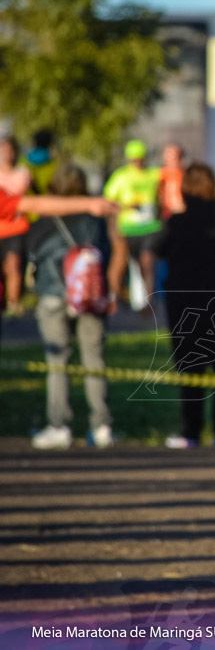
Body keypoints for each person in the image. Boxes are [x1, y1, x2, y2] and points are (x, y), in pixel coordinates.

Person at [156, 164, 215, 449]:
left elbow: (160, 248)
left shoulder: (178, 223)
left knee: (190, 369)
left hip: (186, 307)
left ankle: (191, 432)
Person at [25, 163, 118, 449]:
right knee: (94, 360)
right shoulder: (95, 218)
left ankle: (59, 425)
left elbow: (33, 253)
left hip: (53, 293)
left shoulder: (43, 217)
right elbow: (110, 251)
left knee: (57, 362)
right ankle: (101, 426)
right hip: (89, 295)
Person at [0, 173, 116, 352]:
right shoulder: (94, 223)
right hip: (83, 294)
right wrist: (89, 204)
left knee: (58, 359)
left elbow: (31, 206)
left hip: (52, 291)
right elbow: (33, 204)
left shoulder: (41, 223)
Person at [104, 139, 163, 307]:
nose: (137, 162)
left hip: (149, 228)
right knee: (119, 263)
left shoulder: (154, 174)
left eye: (140, 158)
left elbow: (162, 196)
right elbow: (109, 202)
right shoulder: (121, 176)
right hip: (126, 228)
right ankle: (113, 299)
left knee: (147, 263)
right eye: (133, 158)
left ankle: (149, 303)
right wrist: (116, 223)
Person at [0, 136, 32, 315]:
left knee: (14, 265)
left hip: (17, 227)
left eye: (10, 150)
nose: (7, 154)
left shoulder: (23, 173)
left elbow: (33, 201)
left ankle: (13, 303)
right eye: (3, 150)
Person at [158, 143, 187, 220]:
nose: (171, 160)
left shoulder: (186, 175)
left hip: (183, 215)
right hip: (166, 215)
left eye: (174, 157)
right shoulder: (160, 175)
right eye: (168, 156)